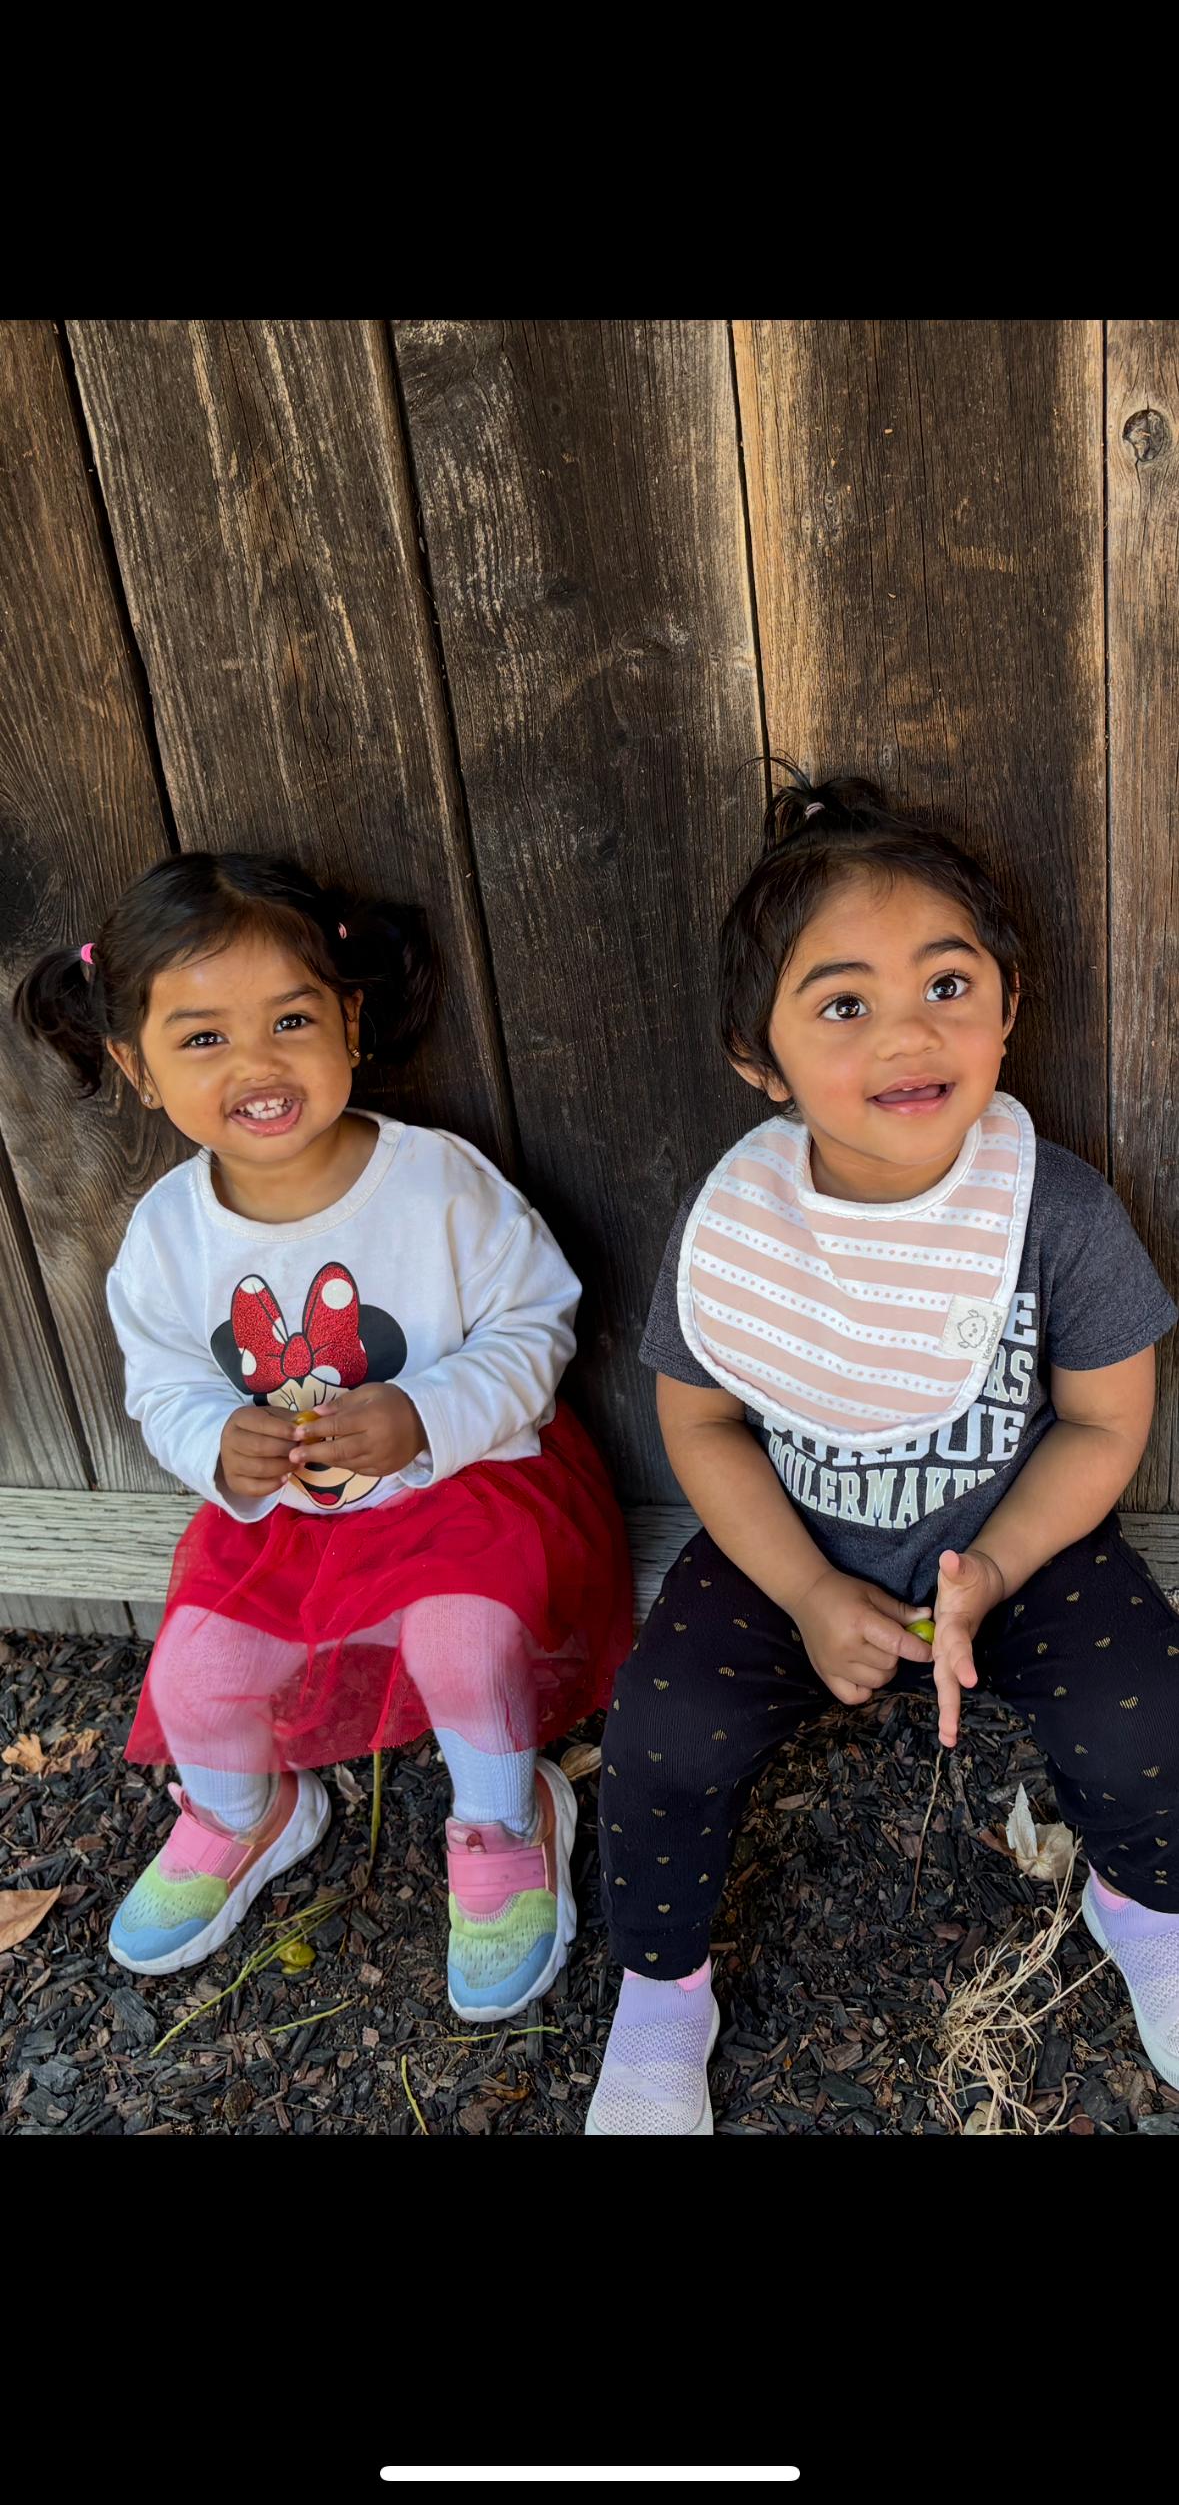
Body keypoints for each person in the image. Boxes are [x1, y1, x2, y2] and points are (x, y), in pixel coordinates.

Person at [586, 769, 1178, 2134]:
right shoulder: (735, 1226)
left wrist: (1001, 1560)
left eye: (946, 984)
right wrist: (798, 1590)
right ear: (760, 1058)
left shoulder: (1053, 1209)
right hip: (783, 1549)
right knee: (658, 1740)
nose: (906, 1032)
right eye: (842, 1003)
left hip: (1016, 1541)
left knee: (1146, 1713)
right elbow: (699, 1420)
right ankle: (661, 1986)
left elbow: (1101, 1417)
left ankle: (1142, 1901)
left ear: (1007, 1005)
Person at [13, 850, 632, 2021]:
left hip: (468, 1496)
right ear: (137, 1070)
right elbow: (159, 1383)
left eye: (289, 1019)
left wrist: (426, 1412)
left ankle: (507, 1818)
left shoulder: (434, 1183)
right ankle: (245, 1813)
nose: (255, 1063)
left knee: (464, 1651)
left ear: (349, 1020)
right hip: (290, 1526)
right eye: (201, 1040)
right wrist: (215, 1439)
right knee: (195, 1677)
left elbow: (538, 1319)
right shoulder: (166, 1235)